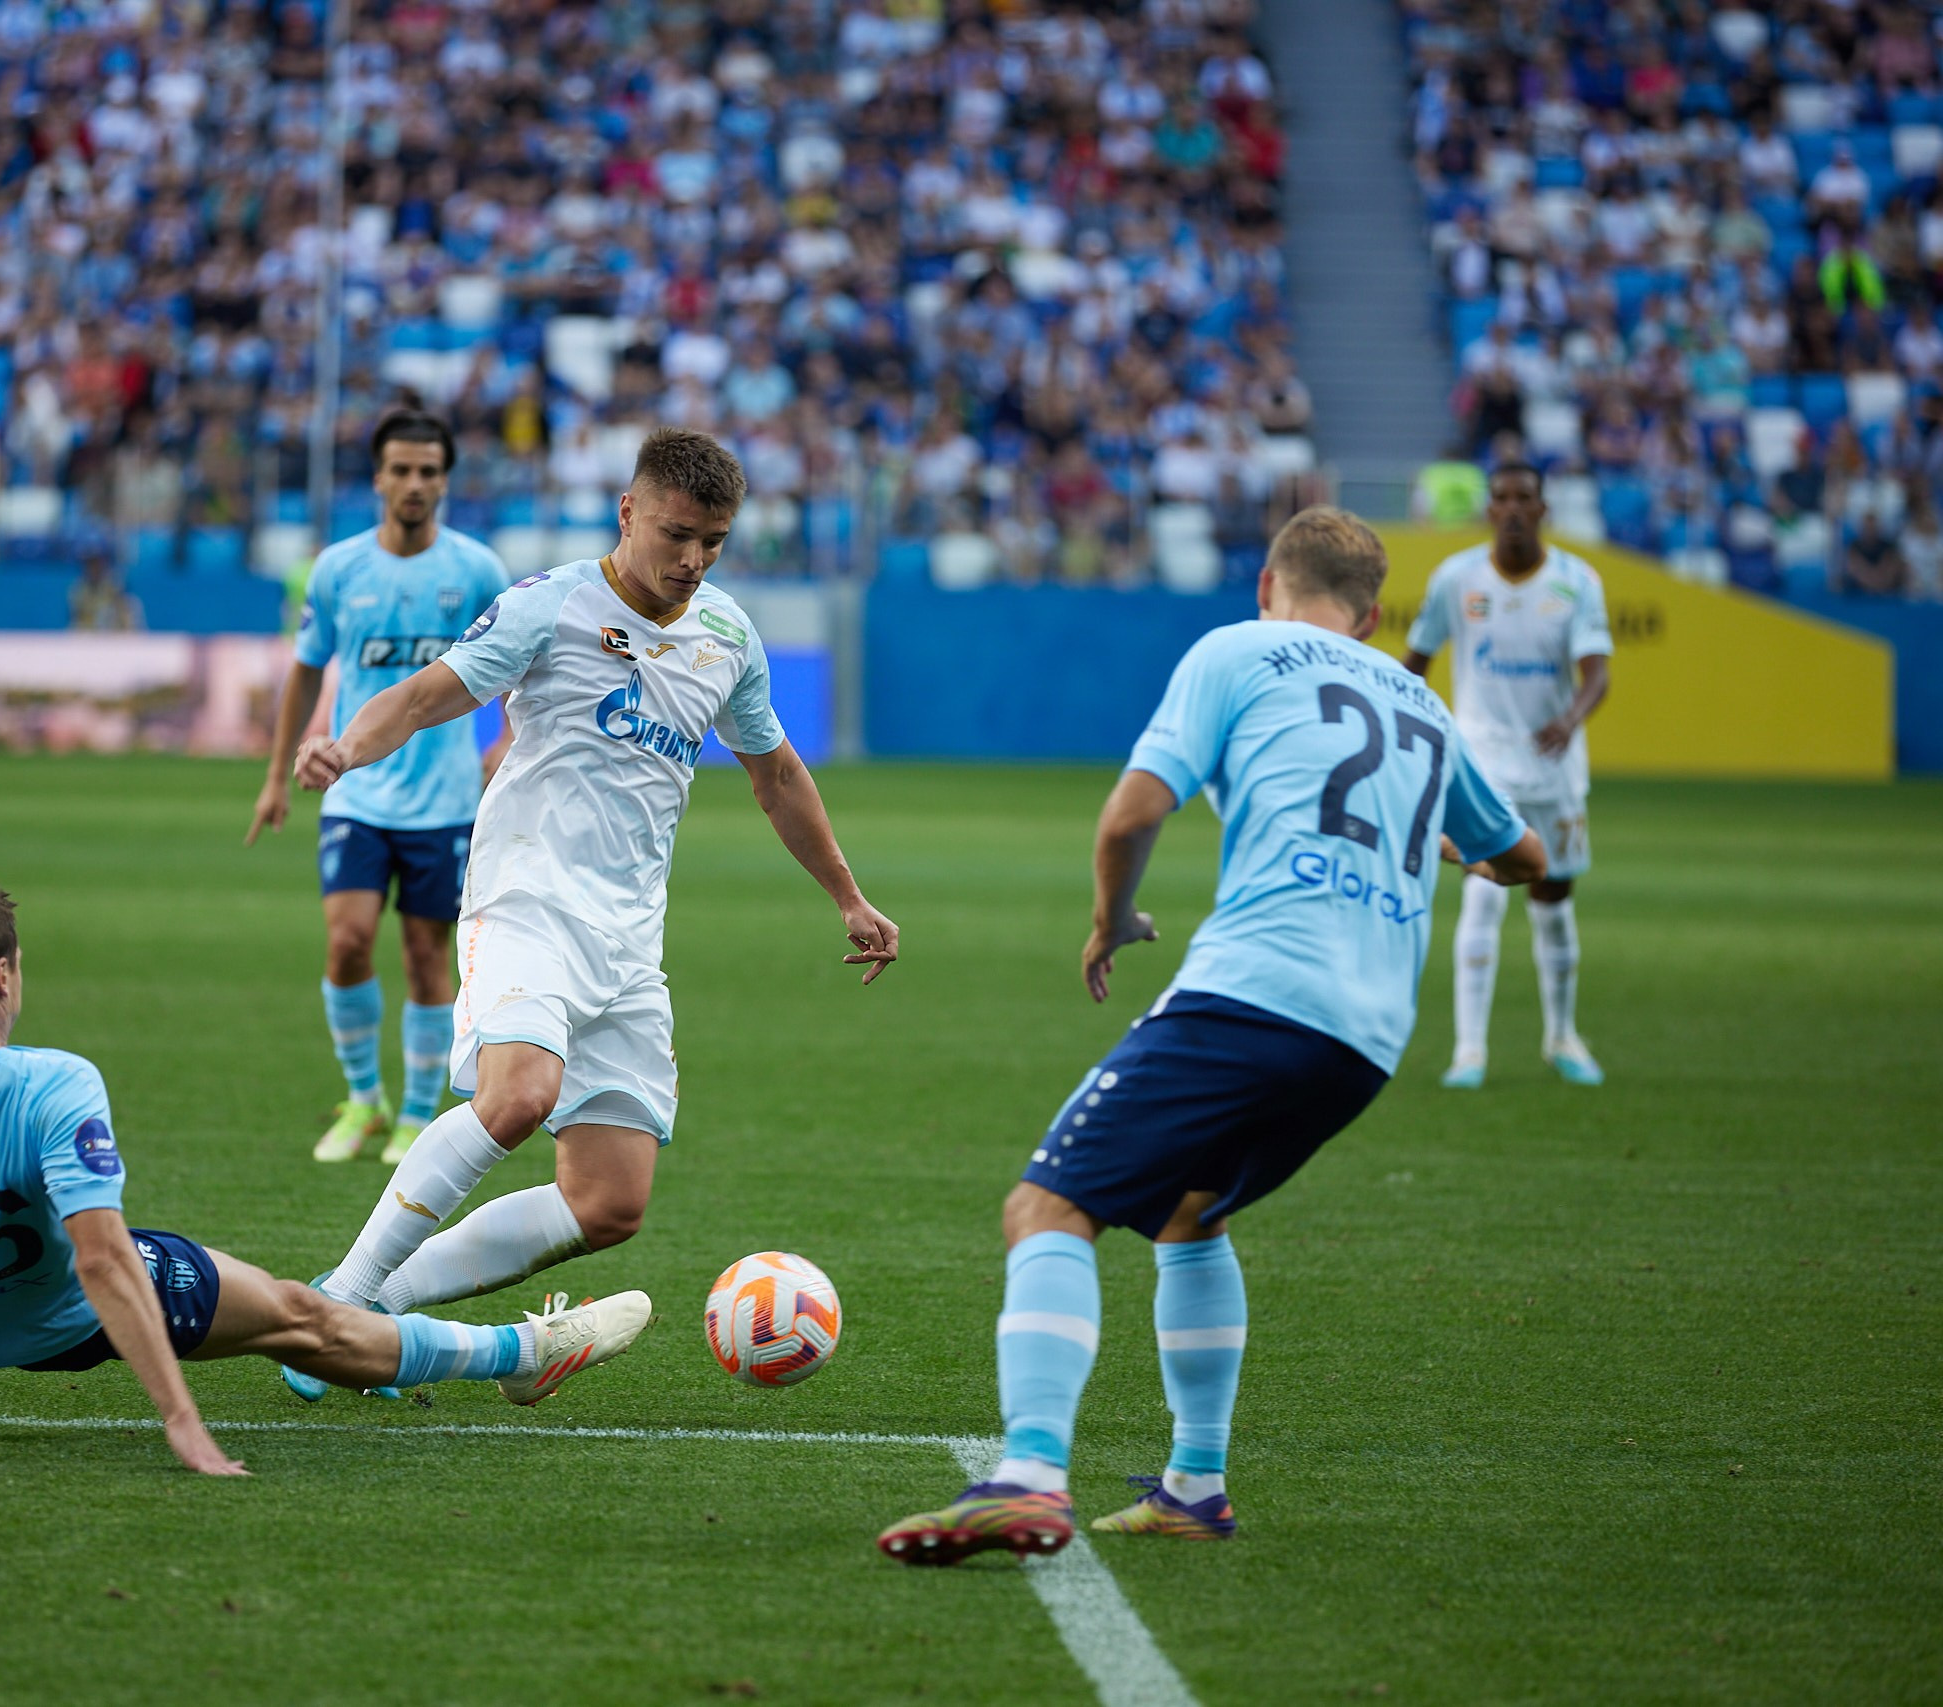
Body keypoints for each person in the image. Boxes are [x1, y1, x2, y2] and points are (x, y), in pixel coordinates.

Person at [879, 509, 1545, 1563]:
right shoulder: (1422, 701)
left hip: (1253, 995)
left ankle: (1028, 1476)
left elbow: (1130, 815)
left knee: (1046, 1205)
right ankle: (1195, 1484)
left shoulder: (1235, 649)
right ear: (1372, 618)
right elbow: (1526, 855)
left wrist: (1109, 921)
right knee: (1189, 1215)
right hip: (1364, 1039)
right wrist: (1480, 857)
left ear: (1267, 585)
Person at [0, 880, 652, 1470]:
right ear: (5, 974)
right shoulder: (54, 1086)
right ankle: (520, 1352)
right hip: (62, 1319)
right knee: (304, 1320)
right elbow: (105, 1263)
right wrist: (180, 1422)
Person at [280, 427, 900, 1402]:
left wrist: (848, 895)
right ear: (628, 513)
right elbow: (419, 696)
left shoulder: (727, 638)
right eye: (677, 533)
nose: (693, 559)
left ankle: (370, 1304)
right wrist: (342, 751)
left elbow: (775, 772)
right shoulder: (550, 605)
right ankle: (341, 1308)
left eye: (715, 542)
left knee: (608, 1203)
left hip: (625, 943)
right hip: (522, 903)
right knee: (517, 1096)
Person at [248, 409, 514, 1165]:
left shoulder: (476, 571)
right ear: (377, 478)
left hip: (446, 799)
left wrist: (504, 738)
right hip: (358, 793)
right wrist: (277, 776)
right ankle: (364, 1099)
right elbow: (306, 668)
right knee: (347, 940)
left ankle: (415, 1115)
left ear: (445, 481)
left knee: (429, 958)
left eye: (428, 471)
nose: (414, 483)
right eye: (400, 469)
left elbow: (522, 667)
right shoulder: (338, 570)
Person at [1402, 463, 1613, 1087]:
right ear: (1489, 510)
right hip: (1483, 765)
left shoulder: (1576, 582)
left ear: (1543, 509)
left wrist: (1571, 717)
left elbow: (1597, 673)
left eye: (1526, 498)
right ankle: (1470, 1052)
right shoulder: (1455, 579)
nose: (1514, 508)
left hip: (1554, 770)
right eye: (1503, 498)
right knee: (1482, 895)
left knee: (1553, 902)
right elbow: (1414, 664)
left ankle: (1562, 1036)